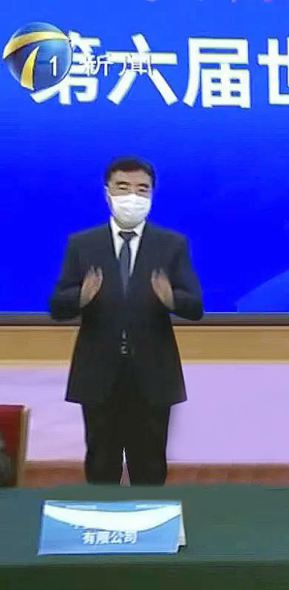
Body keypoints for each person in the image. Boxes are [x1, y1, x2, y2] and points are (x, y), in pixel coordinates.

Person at [50, 157, 203, 486]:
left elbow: (195, 307)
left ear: (152, 195)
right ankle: (101, 518)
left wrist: (171, 300)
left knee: (149, 466)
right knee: (101, 464)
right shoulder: (83, 244)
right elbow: (57, 306)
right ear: (107, 192)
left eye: (141, 189)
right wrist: (80, 297)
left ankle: (150, 519)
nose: (132, 196)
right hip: (98, 373)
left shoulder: (171, 244)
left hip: (152, 374)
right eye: (123, 187)